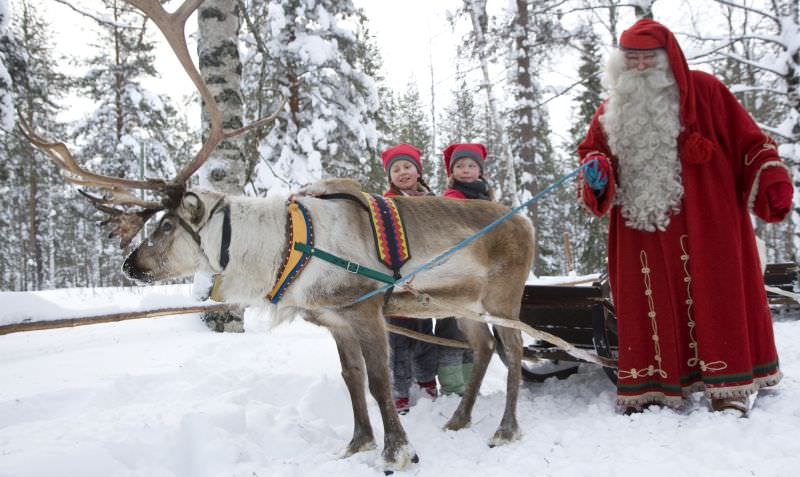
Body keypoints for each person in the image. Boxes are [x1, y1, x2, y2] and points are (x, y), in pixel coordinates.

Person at [577, 19, 794, 415]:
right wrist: (596, 171)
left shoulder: (707, 92)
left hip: (708, 222)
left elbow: (751, 141)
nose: (640, 67)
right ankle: (652, 387)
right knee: (648, 301)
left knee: (718, 298)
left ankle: (728, 386)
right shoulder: (610, 110)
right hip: (640, 230)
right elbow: (594, 152)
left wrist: (772, 177)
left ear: (668, 58)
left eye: (648, 58)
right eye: (632, 59)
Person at [380, 143, 438, 414]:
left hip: (428, 276)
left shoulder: (432, 200)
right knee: (398, 337)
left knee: (425, 332)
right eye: (396, 169)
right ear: (390, 176)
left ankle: (427, 380)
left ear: (418, 171)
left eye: (407, 167)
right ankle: (400, 390)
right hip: (398, 278)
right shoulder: (385, 203)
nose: (402, 172)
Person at [436, 142, 493, 395]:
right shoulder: (453, 197)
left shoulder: (485, 196)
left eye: (471, 165)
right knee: (451, 326)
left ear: (479, 170)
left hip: (479, 271)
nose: (466, 170)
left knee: (474, 325)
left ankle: (470, 381)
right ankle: (451, 383)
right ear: (452, 171)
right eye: (460, 166)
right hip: (454, 271)